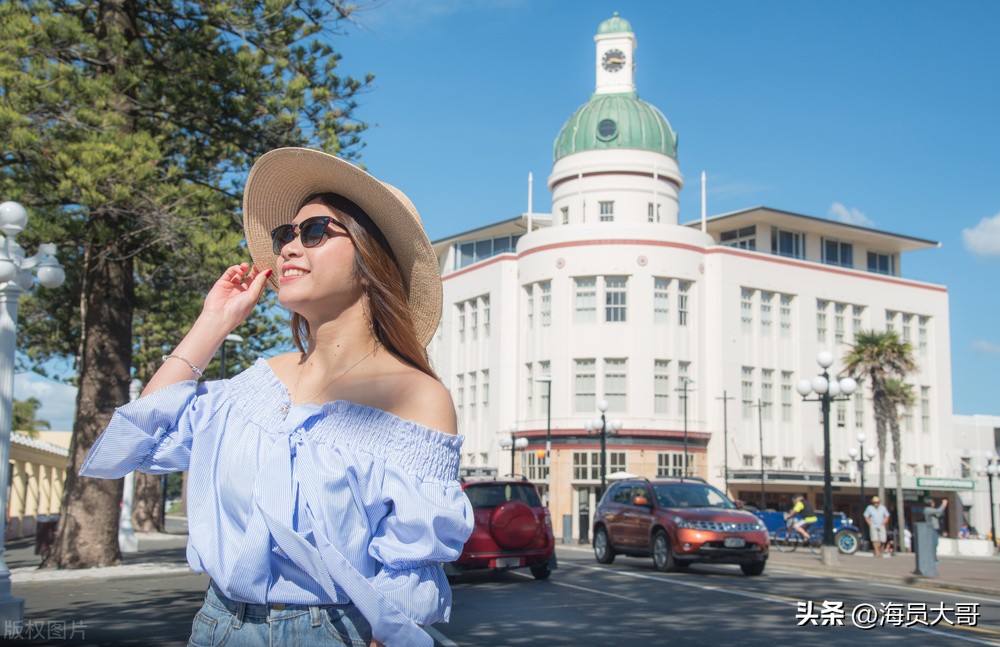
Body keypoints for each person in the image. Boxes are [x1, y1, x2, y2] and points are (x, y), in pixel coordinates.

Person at [79, 147, 475, 647]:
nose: (288, 247)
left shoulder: (417, 396)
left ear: (370, 259)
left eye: (314, 231)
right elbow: (140, 442)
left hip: (332, 633)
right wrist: (213, 323)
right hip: (216, 626)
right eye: (285, 234)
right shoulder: (254, 386)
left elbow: (409, 571)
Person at [923, 497, 948, 562]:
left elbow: (938, 514)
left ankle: (934, 558)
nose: (934, 503)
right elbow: (938, 510)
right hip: (931, 529)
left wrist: (943, 507)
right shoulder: (927, 509)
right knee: (933, 544)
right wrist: (943, 504)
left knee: (935, 544)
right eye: (932, 502)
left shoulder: (932, 510)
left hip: (935, 529)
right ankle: (933, 558)